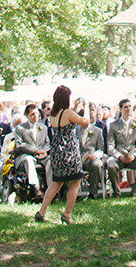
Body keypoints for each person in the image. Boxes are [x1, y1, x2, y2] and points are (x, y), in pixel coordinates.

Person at [35, 85, 89, 224]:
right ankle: (67, 214)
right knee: (75, 182)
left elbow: (68, 118)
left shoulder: (53, 114)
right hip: (69, 151)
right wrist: (86, 107)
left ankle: (42, 211)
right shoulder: (68, 113)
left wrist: (76, 108)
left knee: (56, 183)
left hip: (57, 151)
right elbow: (84, 123)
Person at [107, 98, 136, 196]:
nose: (128, 109)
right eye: (125, 107)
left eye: (130, 106)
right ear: (120, 109)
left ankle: (134, 190)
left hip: (132, 158)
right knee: (111, 165)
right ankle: (116, 192)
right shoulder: (113, 125)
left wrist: (134, 155)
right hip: (119, 158)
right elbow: (110, 146)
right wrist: (119, 156)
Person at [15, 103, 52, 199]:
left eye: (37, 114)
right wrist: (36, 151)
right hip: (26, 155)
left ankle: (51, 189)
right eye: (32, 114)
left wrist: (43, 151)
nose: (35, 116)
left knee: (51, 160)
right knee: (29, 160)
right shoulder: (20, 128)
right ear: (26, 115)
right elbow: (20, 145)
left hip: (42, 156)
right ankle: (36, 188)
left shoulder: (43, 128)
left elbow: (47, 143)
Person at [81, 117, 110, 199]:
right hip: (78, 159)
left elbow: (101, 148)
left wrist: (94, 156)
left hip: (92, 158)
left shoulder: (97, 131)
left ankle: (93, 192)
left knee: (97, 164)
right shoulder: (75, 131)